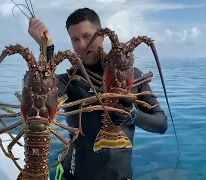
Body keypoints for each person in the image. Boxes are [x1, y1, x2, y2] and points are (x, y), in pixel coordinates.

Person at [28, 7, 168, 180]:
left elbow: (161, 124)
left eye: (87, 36)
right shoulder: (69, 81)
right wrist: (47, 51)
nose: (82, 45)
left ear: (101, 36)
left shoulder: (135, 76)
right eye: (75, 40)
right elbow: (39, 94)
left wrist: (133, 115)